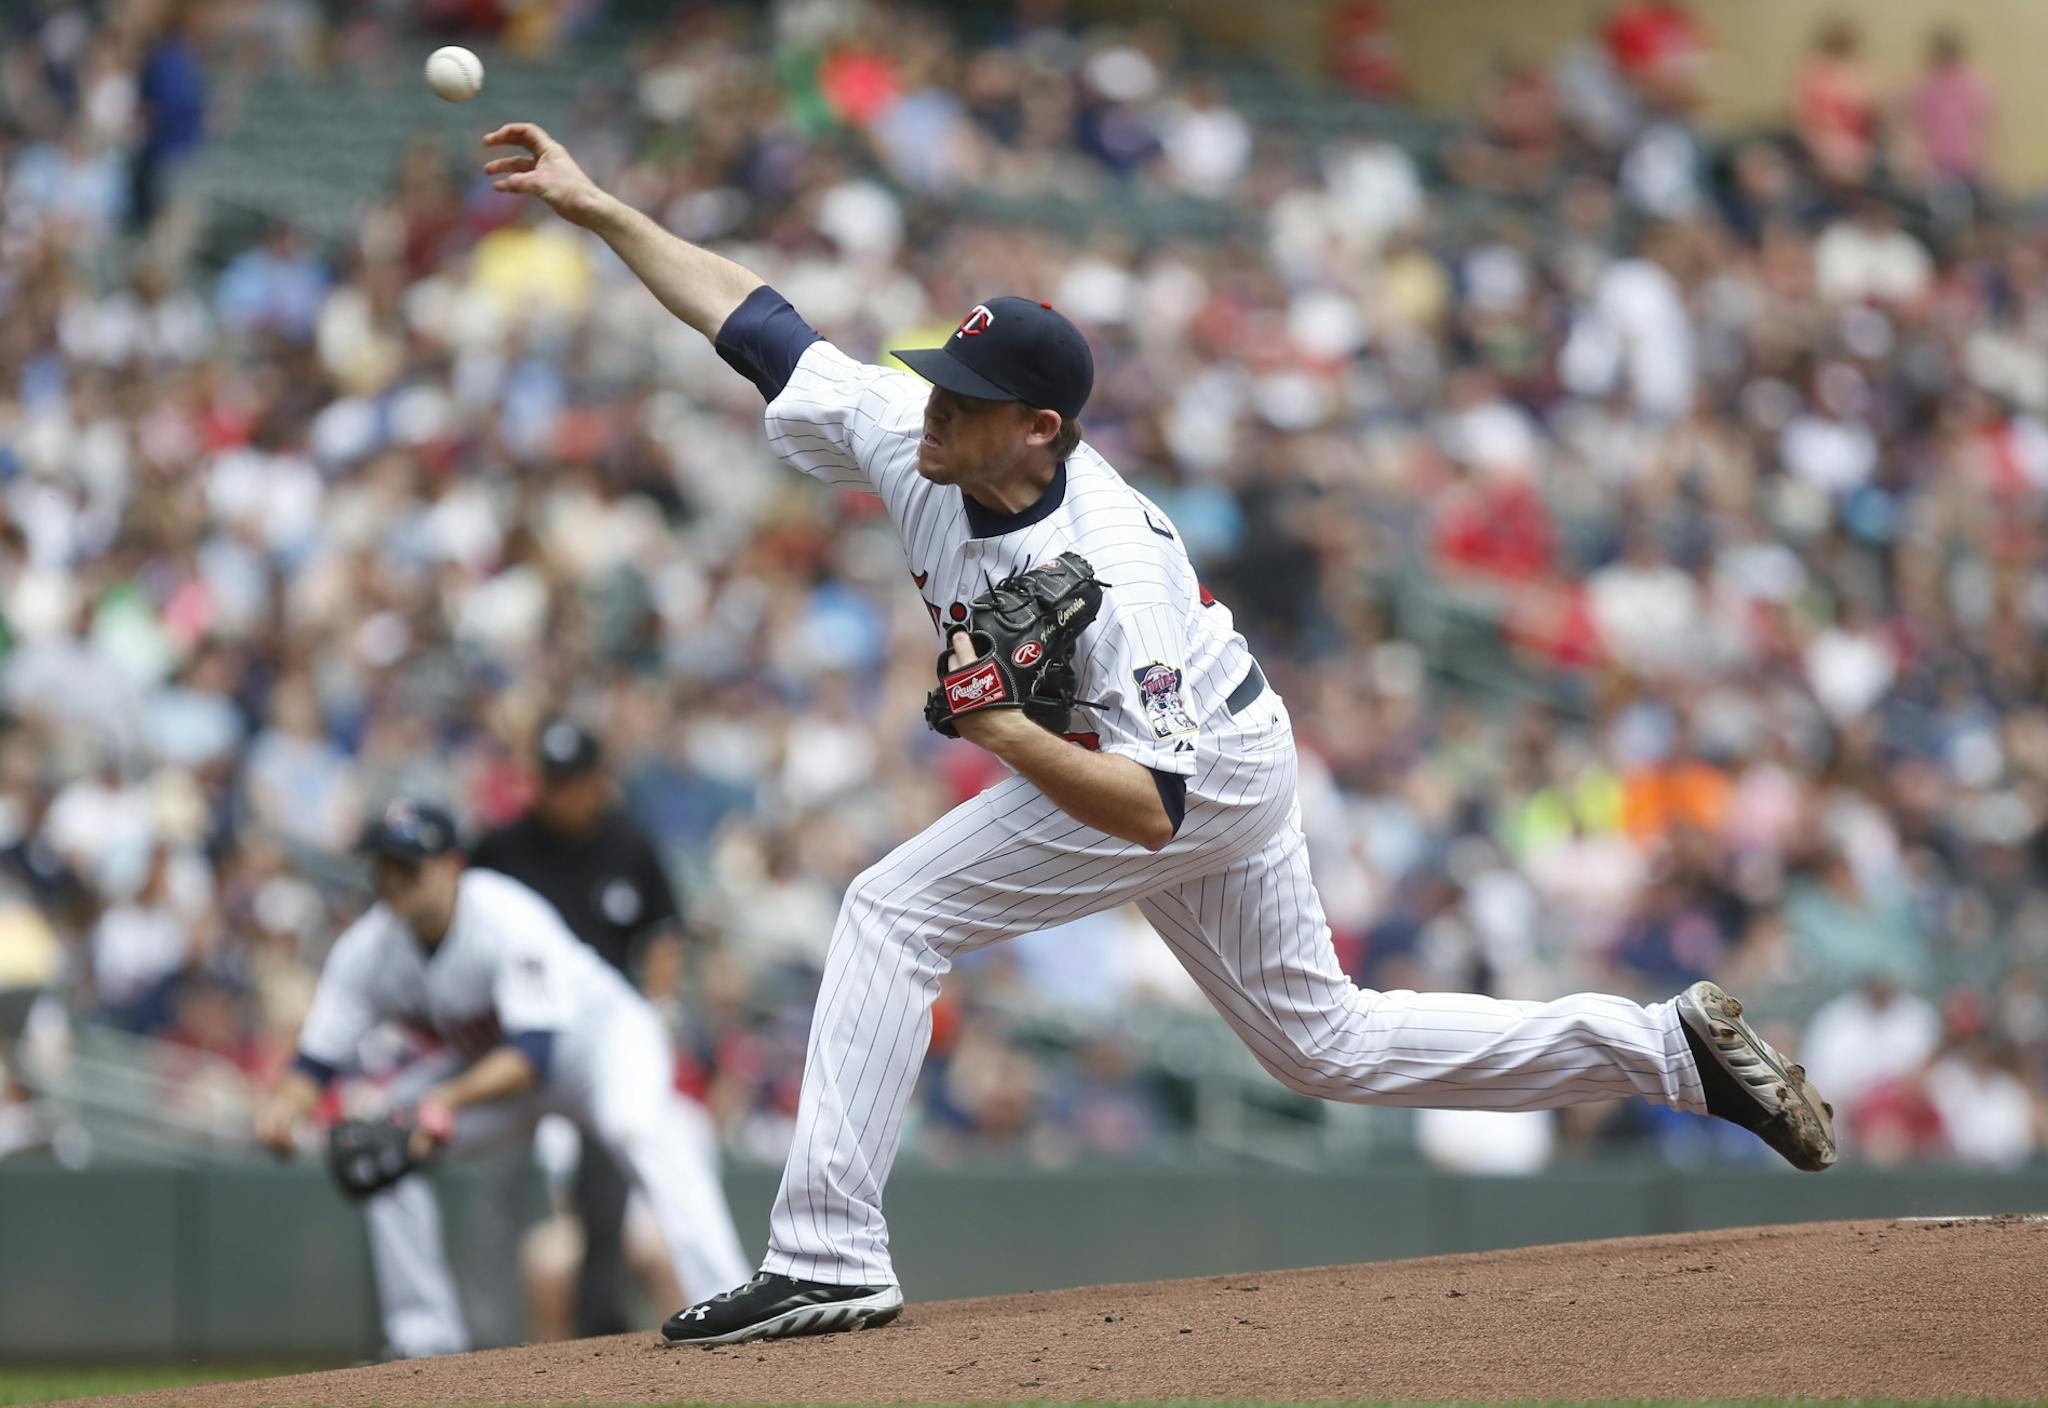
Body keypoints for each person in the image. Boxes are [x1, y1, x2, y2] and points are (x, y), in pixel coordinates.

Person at [479, 119, 1839, 1349]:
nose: (928, 402)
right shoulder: (917, 435)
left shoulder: (1111, 569)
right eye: (937, 380)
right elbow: (758, 324)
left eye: (962, 393)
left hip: (1193, 768)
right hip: (1181, 747)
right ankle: (1665, 1051)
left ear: (1041, 428)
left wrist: (1001, 730)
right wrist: (600, 210)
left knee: (890, 913)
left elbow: (1149, 814)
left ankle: (826, 1256)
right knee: (1325, 1048)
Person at [251, 799, 748, 1358]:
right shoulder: (368, 950)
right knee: (380, 1142)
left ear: (450, 866)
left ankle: (727, 1295)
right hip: (495, 1074)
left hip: (597, 1045)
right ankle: (424, 1336)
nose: (393, 881)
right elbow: (316, 1062)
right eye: (383, 867)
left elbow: (531, 1055)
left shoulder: (504, 916)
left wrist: (442, 1099)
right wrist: (285, 1109)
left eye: (407, 866)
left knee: (640, 1129)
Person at [471, 717, 684, 1335]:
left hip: (597, 1045)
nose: (561, 793)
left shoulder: (628, 843)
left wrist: (657, 1011)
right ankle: (481, 1345)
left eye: (573, 780)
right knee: (496, 1188)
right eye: (552, 780)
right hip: (516, 1041)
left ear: (597, 781)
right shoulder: (501, 846)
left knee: (604, 1195)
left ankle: (603, 1333)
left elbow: (663, 935)